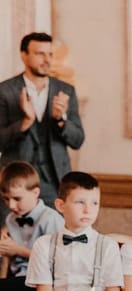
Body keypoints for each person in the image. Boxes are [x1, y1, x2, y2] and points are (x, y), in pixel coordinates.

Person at [0, 33, 85, 207]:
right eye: (40, 54)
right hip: (16, 186)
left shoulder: (66, 90)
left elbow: (78, 140)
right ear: (24, 55)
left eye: (50, 54)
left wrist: (61, 120)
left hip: (55, 183)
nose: (47, 60)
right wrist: (25, 122)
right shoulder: (5, 91)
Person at [0, 162, 63, 291]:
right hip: (18, 276)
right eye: (6, 199)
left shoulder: (51, 219)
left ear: (35, 192)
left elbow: (57, 260)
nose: (11, 205)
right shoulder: (11, 219)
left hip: (43, 281)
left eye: (17, 199)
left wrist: (18, 250)